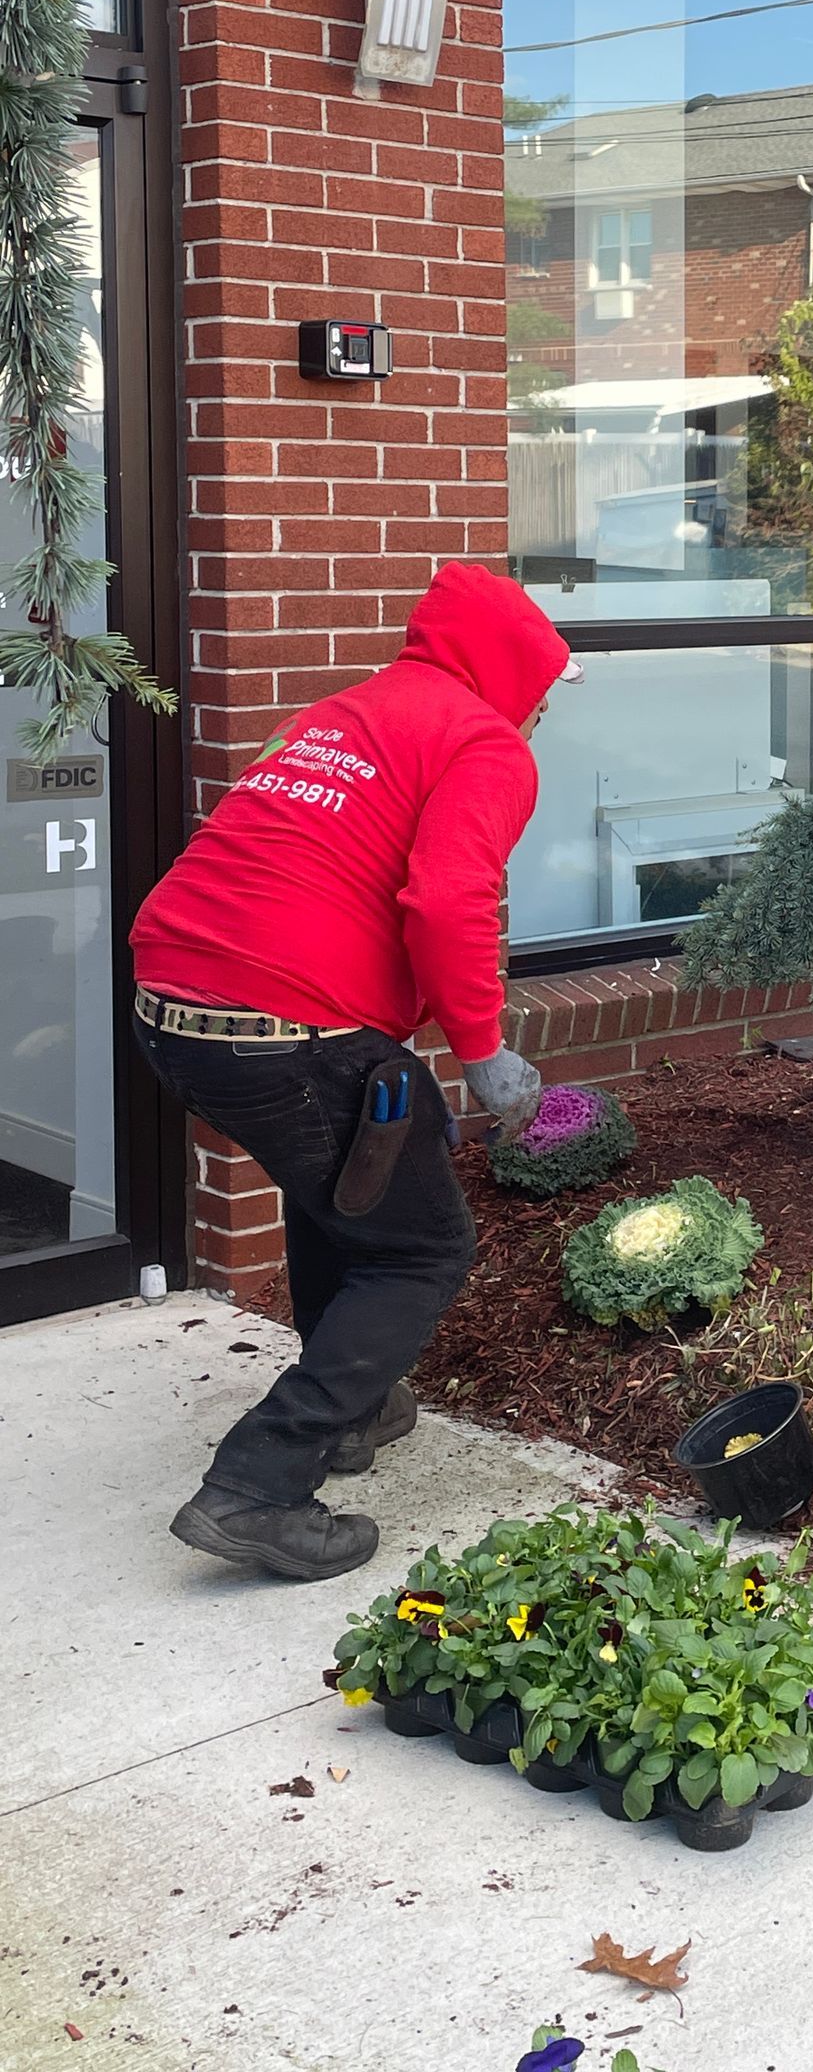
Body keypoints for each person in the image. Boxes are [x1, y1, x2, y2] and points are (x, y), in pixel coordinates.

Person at [131, 564, 576, 1579]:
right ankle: (257, 1483)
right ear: (510, 670)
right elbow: (449, 896)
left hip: (173, 1007)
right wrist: (483, 1048)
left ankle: (356, 1406)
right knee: (419, 1247)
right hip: (282, 1022)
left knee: (344, 1187)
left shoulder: (347, 712)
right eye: (542, 685)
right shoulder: (482, 740)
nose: (543, 708)